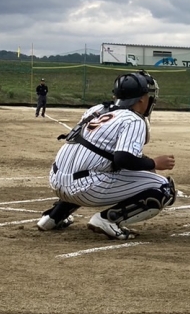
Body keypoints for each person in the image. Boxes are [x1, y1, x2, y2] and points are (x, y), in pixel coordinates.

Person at [36, 70, 176, 240]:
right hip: (85, 189)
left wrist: (144, 163)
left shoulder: (97, 109)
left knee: (92, 167)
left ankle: (52, 217)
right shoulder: (133, 120)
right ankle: (108, 220)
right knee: (164, 189)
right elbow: (123, 159)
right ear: (141, 98)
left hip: (56, 180)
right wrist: (154, 163)